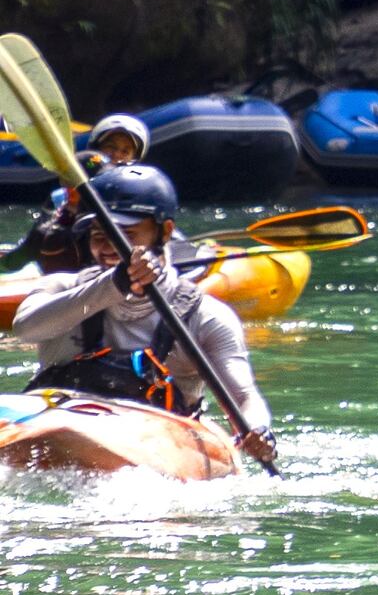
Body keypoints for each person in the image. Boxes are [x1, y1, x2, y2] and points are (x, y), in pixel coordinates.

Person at [9, 165, 260, 430]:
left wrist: (258, 431)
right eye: (97, 235)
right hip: (56, 427)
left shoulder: (205, 315)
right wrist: (114, 284)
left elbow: (243, 396)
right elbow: (25, 329)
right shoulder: (59, 287)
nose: (107, 247)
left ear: (165, 232)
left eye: (125, 235)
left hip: (160, 440)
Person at [12, 116, 153, 276]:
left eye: (125, 151)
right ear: (96, 149)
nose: (117, 155)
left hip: (118, 274)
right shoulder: (66, 195)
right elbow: (33, 245)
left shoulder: (141, 200)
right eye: (110, 147)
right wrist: (69, 212)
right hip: (72, 276)